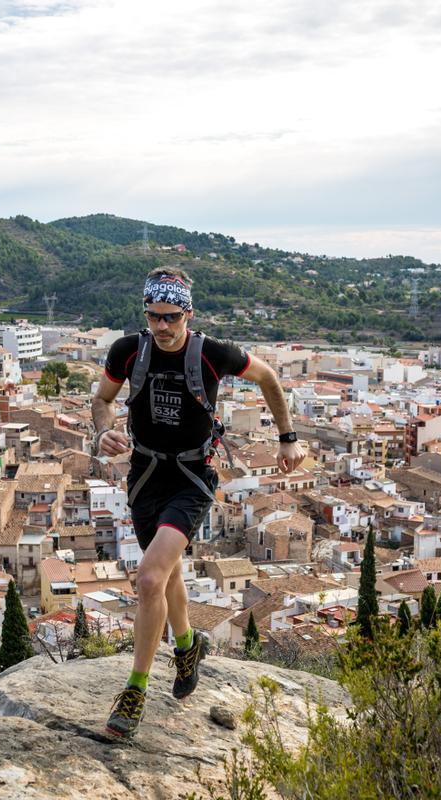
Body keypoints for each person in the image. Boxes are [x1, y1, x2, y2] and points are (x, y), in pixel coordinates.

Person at [92, 266, 304, 739]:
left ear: (188, 313)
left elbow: (268, 377)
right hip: (145, 474)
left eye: (170, 317)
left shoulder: (213, 354)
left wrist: (288, 438)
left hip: (192, 476)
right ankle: (188, 646)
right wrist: (104, 429)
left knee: (148, 576)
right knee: (164, 577)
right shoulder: (128, 351)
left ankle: (136, 688)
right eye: (153, 317)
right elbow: (103, 399)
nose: (162, 327)